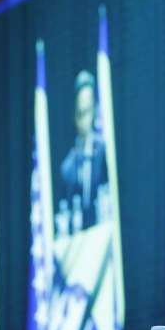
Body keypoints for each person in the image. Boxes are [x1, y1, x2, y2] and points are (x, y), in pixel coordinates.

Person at [59, 70, 108, 233]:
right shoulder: (68, 166)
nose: (84, 120)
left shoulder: (104, 153)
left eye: (87, 111)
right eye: (80, 113)